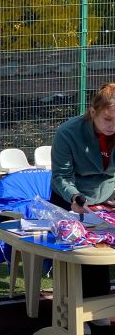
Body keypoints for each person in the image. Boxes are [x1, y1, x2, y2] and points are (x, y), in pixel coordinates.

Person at [51, 82, 115, 304]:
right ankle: (79, 307)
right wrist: (74, 197)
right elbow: (61, 175)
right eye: (108, 119)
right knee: (83, 252)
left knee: (102, 251)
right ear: (93, 112)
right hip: (70, 197)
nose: (113, 126)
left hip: (108, 196)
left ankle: (97, 305)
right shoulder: (68, 132)